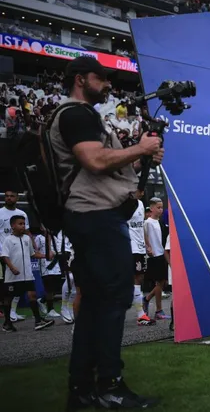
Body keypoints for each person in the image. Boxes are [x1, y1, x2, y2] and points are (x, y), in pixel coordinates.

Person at [50, 56, 162, 409]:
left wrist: (140, 156)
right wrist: (141, 149)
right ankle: (109, 385)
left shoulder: (84, 116)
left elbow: (106, 165)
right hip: (94, 216)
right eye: (102, 78)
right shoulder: (75, 114)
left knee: (98, 304)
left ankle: (82, 391)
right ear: (81, 79)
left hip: (93, 216)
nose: (109, 84)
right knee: (113, 301)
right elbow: (95, 161)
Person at [1, 215, 53, 332]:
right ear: (12, 225)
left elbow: (33, 254)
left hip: (27, 275)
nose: (23, 226)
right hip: (13, 276)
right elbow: (4, 256)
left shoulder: (26, 239)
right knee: (9, 298)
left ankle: (38, 321)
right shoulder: (8, 240)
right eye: (20, 224)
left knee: (32, 295)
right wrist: (12, 267)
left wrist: (46, 255)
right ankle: (7, 323)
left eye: (24, 224)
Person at [0, 190, 31, 322]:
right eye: (7, 196)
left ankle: (12, 312)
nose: (9, 198)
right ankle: (6, 316)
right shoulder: (0, 213)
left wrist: (34, 247)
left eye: (12, 196)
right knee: (6, 287)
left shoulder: (22, 214)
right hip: (4, 254)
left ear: (17, 198)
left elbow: (27, 232)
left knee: (19, 284)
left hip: (19, 252)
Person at [128, 192, 155, 326]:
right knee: (134, 278)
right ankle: (140, 314)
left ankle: (140, 312)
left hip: (140, 248)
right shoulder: (124, 204)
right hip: (129, 247)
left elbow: (141, 227)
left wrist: (147, 244)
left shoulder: (141, 204)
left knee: (139, 278)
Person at [143, 198, 171, 320]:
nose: (160, 210)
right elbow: (144, 236)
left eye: (161, 208)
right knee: (159, 283)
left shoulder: (160, 222)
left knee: (163, 282)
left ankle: (147, 298)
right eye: (158, 207)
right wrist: (148, 248)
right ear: (152, 208)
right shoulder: (148, 222)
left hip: (162, 254)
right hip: (154, 255)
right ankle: (159, 310)